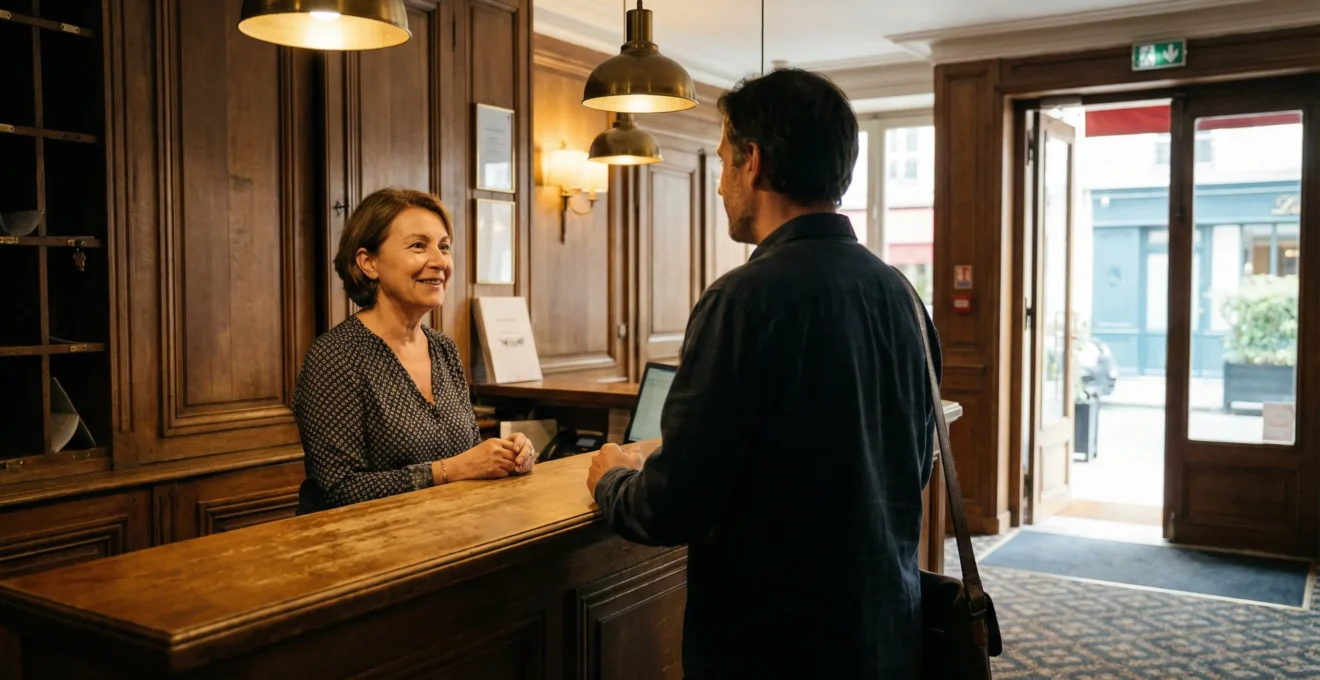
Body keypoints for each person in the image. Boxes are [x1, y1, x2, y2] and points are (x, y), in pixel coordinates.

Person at [585, 68, 942, 678]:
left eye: (724, 161)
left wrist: (612, 481)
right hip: (887, 630)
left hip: (772, 646)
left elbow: (674, 507)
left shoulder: (743, 300)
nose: (721, 185)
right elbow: (915, 459)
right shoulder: (901, 294)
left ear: (754, 162)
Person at [294, 188, 535, 515]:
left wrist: (507, 454)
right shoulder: (335, 357)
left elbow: (466, 455)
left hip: (446, 536)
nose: (439, 262)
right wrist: (453, 469)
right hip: (361, 552)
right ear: (369, 262)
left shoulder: (444, 348)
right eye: (418, 246)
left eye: (444, 247)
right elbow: (338, 489)